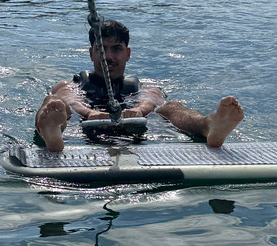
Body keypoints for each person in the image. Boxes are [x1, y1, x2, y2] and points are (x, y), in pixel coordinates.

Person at [34, 19, 244, 153]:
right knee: (55, 104)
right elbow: (69, 96)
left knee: (171, 107)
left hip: (134, 126)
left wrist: (139, 110)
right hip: (84, 125)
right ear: (91, 54)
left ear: (127, 54)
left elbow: (153, 97)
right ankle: (53, 134)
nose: (108, 57)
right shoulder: (72, 84)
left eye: (116, 49)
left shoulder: (142, 86)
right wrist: (88, 112)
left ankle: (209, 125)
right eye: (101, 50)